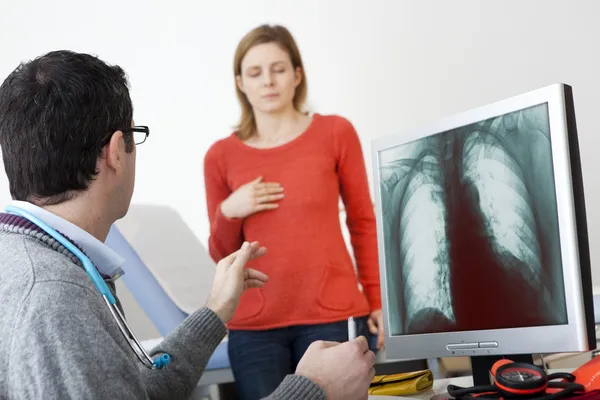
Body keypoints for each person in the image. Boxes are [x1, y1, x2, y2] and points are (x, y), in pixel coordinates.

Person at [0, 50, 376, 399]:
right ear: (116, 151)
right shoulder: (54, 299)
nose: (268, 81)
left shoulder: (34, 264)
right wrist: (315, 388)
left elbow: (138, 388)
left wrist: (214, 311)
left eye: (277, 70)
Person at [203, 24, 383, 399]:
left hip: (333, 316)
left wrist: (379, 301)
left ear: (297, 75)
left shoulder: (335, 132)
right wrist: (230, 210)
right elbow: (223, 255)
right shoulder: (220, 156)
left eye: (279, 69)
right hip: (254, 327)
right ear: (240, 82)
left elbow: (363, 223)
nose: (268, 81)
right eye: (255, 72)